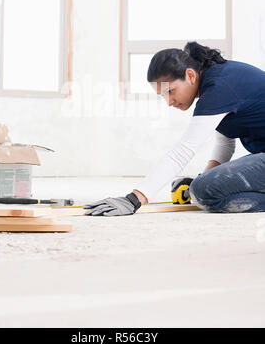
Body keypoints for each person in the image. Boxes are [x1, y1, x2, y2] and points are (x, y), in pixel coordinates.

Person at [84, 41, 265, 216]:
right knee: (202, 185)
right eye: (162, 95)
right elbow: (225, 144)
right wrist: (204, 176)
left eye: (170, 91)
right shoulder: (217, 80)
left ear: (190, 75)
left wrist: (134, 199)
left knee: (204, 192)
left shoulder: (219, 87)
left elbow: (182, 152)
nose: (168, 102)